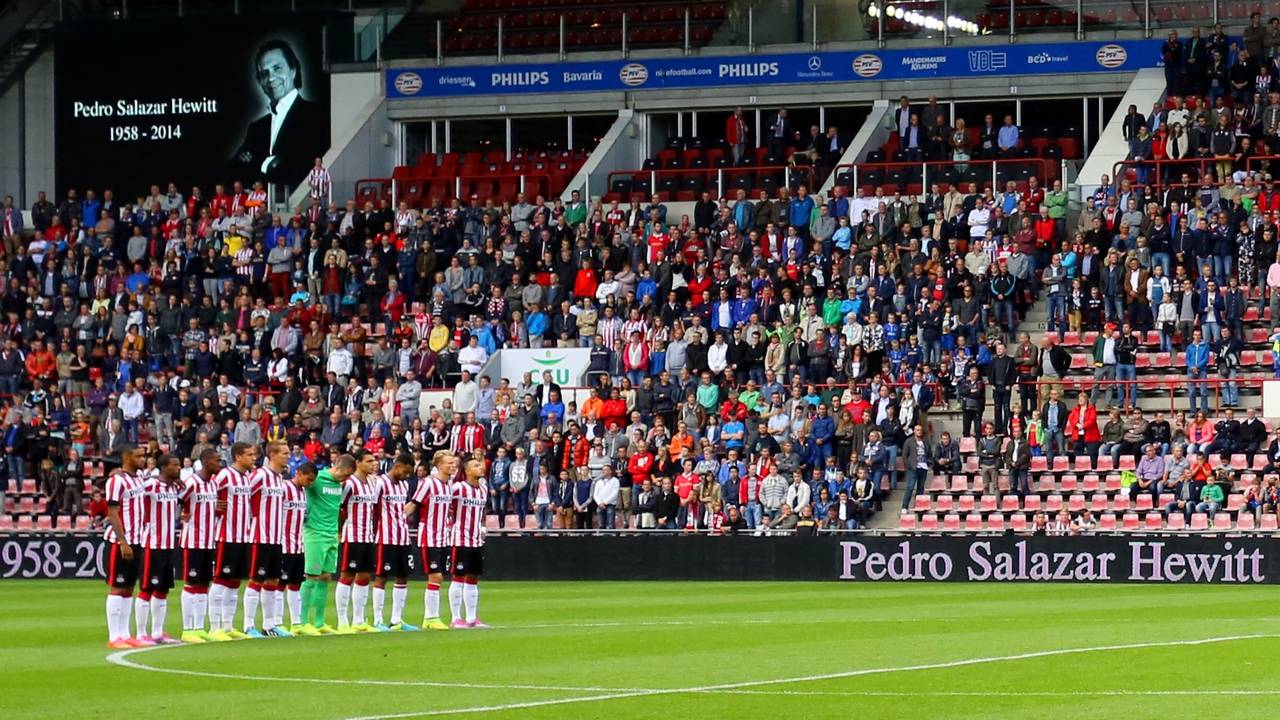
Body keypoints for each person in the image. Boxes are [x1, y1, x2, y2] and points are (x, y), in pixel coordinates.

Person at [232, 39, 329, 183]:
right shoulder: (257, 128)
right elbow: (234, 171)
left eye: (277, 68)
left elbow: (303, 166)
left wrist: (257, 164)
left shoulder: (317, 116)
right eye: (265, 73)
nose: (271, 78)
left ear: (293, 70)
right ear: (260, 81)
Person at [295, 454, 355, 636]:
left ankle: (319, 622)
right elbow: (300, 488)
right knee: (311, 576)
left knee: (326, 576)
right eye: (345, 474)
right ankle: (302, 621)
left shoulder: (340, 485)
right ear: (337, 467)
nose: (346, 479)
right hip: (315, 534)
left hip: (331, 535)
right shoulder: (317, 478)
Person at [208, 442, 260, 642]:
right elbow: (208, 497)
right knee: (221, 579)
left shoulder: (247, 478)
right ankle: (215, 627)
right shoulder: (224, 476)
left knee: (235, 582)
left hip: (243, 536)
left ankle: (228, 625)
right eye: (249, 455)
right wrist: (214, 507)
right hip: (226, 536)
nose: (253, 458)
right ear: (238, 457)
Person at [403, 451, 458, 630]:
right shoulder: (428, 483)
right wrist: (398, 519)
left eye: (453, 463)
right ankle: (430, 617)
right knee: (436, 575)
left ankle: (431, 618)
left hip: (444, 538)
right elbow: (413, 504)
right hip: (429, 536)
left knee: (440, 577)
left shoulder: (449, 485)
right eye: (449, 463)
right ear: (439, 465)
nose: (452, 466)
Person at [135, 454, 184, 646]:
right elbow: (131, 495)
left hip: (169, 544)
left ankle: (157, 632)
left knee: (163, 589)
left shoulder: (175, 487)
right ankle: (140, 633)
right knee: (147, 588)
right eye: (175, 465)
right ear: (163, 468)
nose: (178, 468)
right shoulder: (149, 486)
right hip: (152, 544)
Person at [243, 441, 291, 638]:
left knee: (272, 580)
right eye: (284, 453)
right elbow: (244, 498)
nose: (288, 456)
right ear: (272, 455)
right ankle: (248, 625)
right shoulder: (260, 475)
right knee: (256, 579)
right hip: (260, 536)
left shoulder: (279, 478)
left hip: (276, 537)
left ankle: (269, 624)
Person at [334, 450, 383, 634]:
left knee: (363, 577)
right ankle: (342, 620)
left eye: (374, 461)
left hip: (368, 536)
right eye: (369, 461)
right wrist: (338, 531)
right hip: (352, 536)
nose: (373, 464)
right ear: (359, 463)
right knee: (347, 575)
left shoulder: (372, 483)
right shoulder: (349, 483)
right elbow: (338, 507)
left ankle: (359, 620)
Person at [104, 444, 147, 649]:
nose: (143, 459)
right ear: (127, 457)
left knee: (129, 587)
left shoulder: (139, 479)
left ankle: (125, 633)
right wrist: (123, 541)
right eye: (139, 456)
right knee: (117, 587)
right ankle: (114, 636)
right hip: (121, 541)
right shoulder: (116, 481)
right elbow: (112, 513)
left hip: (138, 539)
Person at [372, 453, 419, 632]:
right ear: (397, 465)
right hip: (385, 538)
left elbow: (402, 509)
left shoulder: (404, 485)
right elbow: (373, 509)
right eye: (405, 472)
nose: (407, 476)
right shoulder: (380, 483)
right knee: (381, 577)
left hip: (403, 537)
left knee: (402, 576)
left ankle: (396, 620)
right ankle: (377, 620)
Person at [178, 450, 221, 644]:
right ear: (205, 462)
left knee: (204, 584)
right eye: (216, 460)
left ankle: (199, 627)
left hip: (208, 540)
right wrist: (181, 515)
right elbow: (176, 498)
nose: (219, 463)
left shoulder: (213, 484)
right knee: (190, 583)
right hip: (193, 540)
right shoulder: (191, 482)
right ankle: (187, 629)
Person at [449, 458, 490, 629]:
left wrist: (482, 526)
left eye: (480, 465)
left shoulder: (483, 489)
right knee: (458, 577)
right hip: (460, 538)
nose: (480, 467)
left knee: (473, 577)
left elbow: (482, 511)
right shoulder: (458, 488)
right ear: (466, 471)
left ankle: (472, 618)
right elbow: (447, 508)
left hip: (476, 538)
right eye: (475, 465)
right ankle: (456, 618)